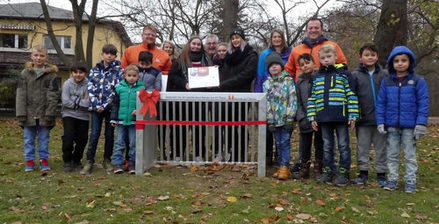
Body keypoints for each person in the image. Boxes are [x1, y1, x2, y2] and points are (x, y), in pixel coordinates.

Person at [376, 46, 429, 193]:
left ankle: (410, 181)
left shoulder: (418, 81)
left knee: (410, 155)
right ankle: (392, 179)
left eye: (404, 60)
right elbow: (381, 103)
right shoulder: (386, 82)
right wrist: (380, 121)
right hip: (391, 126)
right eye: (397, 61)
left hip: (410, 126)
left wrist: (421, 124)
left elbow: (423, 103)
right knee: (392, 154)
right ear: (392, 63)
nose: (400, 63)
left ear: (410, 62)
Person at [307, 44, 359, 187]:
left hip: (341, 118)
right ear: (319, 60)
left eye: (329, 57)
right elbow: (312, 98)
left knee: (343, 145)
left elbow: (351, 96)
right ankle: (328, 169)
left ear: (335, 57)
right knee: (327, 145)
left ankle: (344, 171)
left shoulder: (344, 74)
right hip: (323, 118)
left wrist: (352, 115)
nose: (326, 60)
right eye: (323, 58)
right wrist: (312, 116)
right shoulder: (316, 77)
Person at [167, 36, 213, 161]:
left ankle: (199, 154)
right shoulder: (180, 59)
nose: (196, 46)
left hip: (200, 101)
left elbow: (211, 76)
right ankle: (177, 154)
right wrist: (184, 84)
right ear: (189, 44)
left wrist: (210, 85)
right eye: (194, 43)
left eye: (199, 44)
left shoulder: (207, 59)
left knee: (199, 129)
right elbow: (172, 76)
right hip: (182, 100)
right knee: (179, 129)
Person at [16, 45, 60, 172]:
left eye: (41, 56)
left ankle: (43, 160)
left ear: (46, 57)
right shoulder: (25, 73)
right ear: (31, 56)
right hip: (28, 112)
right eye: (36, 55)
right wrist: (21, 113)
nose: (38, 58)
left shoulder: (51, 75)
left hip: (44, 113)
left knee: (44, 139)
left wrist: (50, 113)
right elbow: (20, 94)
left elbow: (53, 95)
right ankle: (29, 161)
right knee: (28, 139)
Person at [81, 44, 124, 175]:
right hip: (95, 108)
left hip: (110, 108)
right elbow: (90, 87)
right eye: (107, 53)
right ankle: (89, 161)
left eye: (112, 54)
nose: (109, 56)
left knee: (110, 135)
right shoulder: (94, 70)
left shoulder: (119, 71)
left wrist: (105, 105)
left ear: (115, 56)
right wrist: (96, 104)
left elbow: (116, 90)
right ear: (102, 54)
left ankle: (107, 160)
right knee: (94, 134)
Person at [351, 43, 389, 186]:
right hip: (363, 119)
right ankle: (363, 172)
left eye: (373, 55)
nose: (370, 57)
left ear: (377, 57)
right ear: (360, 58)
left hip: (381, 120)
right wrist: (353, 116)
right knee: (362, 147)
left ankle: (381, 174)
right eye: (367, 55)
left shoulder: (384, 74)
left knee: (381, 148)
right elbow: (352, 96)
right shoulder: (355, 75)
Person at [219, 27, 258, 161]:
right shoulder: (228, 56)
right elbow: (224, 73)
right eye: (233, 38)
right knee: (228, 125)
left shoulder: (251, 54)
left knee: (240, 125)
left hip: (242, 95)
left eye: (238, 37)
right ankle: (230, 152)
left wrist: (226, 83)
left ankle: (241, 154)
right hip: (227, 95)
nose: (235, 40)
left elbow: (247, 75)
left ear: (242, 39)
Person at [255, 29, 292, 167]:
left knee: (283, 130)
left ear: (283, 38)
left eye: (279, 36)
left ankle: (281, 158)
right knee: (269, 125)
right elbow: (260, 73)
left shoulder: (290, 52)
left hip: (284, 94)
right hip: (268, 92)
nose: (276, 39)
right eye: (274, 37)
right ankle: (268, 154)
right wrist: (258, 94)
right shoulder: (265, 54)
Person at [263, 52, 297, 180]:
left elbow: (292, 100)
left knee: (285, 142)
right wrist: (270, 120)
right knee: (278, 143)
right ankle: (283, 166)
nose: (274, 67)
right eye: (271, 65)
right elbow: (267, 103)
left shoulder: (288, 81)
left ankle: (284, 165)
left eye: (276, 64)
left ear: (281, 66)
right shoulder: (266, 84)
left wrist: (290, 118)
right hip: (274, 119)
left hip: (285, 118)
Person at [293, 53, 323, 180]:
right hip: (305, 118)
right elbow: (298, 101)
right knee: (305, 144)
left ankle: (318, 167)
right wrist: (301, 117)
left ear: (314, 63)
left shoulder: (320, 78)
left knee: (319, 143)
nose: (305, 66)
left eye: (307, 63)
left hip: (320, 118)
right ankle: (304, 167)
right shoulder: (299, 82)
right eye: (302, 65)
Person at [110, 65, 145, 174]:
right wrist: (113, 119)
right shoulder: (119, 88)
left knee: (133, 143)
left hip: (134, 121)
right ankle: (117, 163)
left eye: (134, 76)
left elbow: (144, 103)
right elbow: (115, 104)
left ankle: (131, 163)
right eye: (129, 76)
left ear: (138, 76)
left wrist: (138, 110)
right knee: (120, 142)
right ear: (124, 76)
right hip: (121, 121)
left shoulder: (141, 89)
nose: (131, 78)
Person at [61, 63, 90, 172]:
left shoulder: (89, 84)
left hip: (83, 116)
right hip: (68, 114)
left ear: (85, 74)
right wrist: (81, 100)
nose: (78, 75)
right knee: (68, 137)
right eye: (75, 72)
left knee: (82, 140)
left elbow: (88, 103)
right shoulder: (67, 84)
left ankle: (77, 160)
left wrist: (73, 99)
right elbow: (65, 101)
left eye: (81, 72)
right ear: (72, 73)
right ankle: (67, 161)